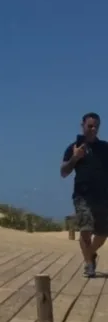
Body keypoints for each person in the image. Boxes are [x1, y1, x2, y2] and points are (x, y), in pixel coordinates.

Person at [60, 112, 108, 278]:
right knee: (86, 230)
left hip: (103, 197)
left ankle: (90, 254)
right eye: (90, 126)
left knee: (102, 234)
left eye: (96, 126)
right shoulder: (74, 147)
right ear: (82, 126)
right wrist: (75, 158)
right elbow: (63, 172)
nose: (93, 129)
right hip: (82, 196)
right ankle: (89, 264)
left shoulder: (105, 148)